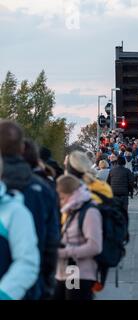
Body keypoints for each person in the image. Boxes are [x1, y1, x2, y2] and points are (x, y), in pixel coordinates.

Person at [0, 120, 60, 300]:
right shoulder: (43, 190)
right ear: (21, 148)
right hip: (32, 286)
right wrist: (46, 285)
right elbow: (52, 243)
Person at [54, 174, 102, 300]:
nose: (60, 202)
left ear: (71, 194)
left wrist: (63, 252)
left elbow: (95, 246)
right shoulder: (72, 209)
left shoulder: (89, 211)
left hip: (77, 271)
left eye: (62, 198)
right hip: (67, 270)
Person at [0, 154, 40, 300]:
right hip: (65, 268)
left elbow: (27, 262)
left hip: (74, 267)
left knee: (74, 290)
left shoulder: (15, 211)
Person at [107, 156, 134, 220]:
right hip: (124, 192)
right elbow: (131, 182)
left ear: (117, 162)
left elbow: (108, 182)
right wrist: (131, 192)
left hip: (114, 192)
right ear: (124, 163)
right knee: (124, 210)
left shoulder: (112, 171)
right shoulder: (127, 171)